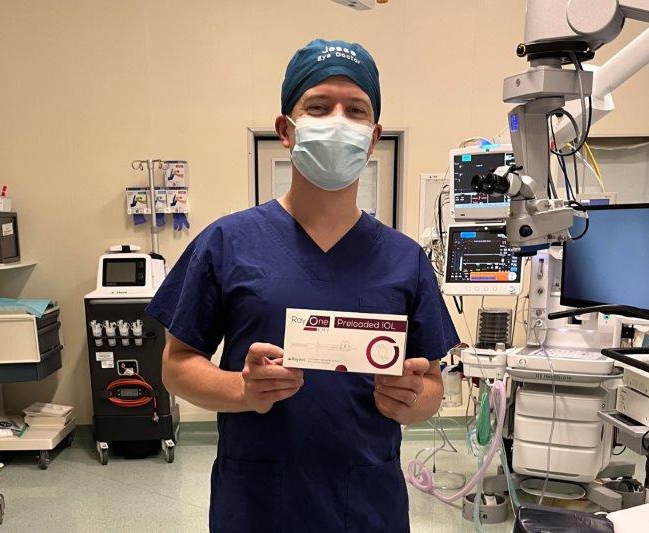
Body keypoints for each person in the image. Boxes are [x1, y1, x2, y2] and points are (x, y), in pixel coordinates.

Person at [146, 38, 459, 533]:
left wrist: (411, 398)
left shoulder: (405, 260)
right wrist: (243, 390)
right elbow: (176, 365)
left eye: (355, 109)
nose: (337, 120)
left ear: (374, 137)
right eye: (317, 106)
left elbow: (433, 387)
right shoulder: (228, 242)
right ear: (286, 131)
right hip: (258, 504)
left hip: (367, 506)